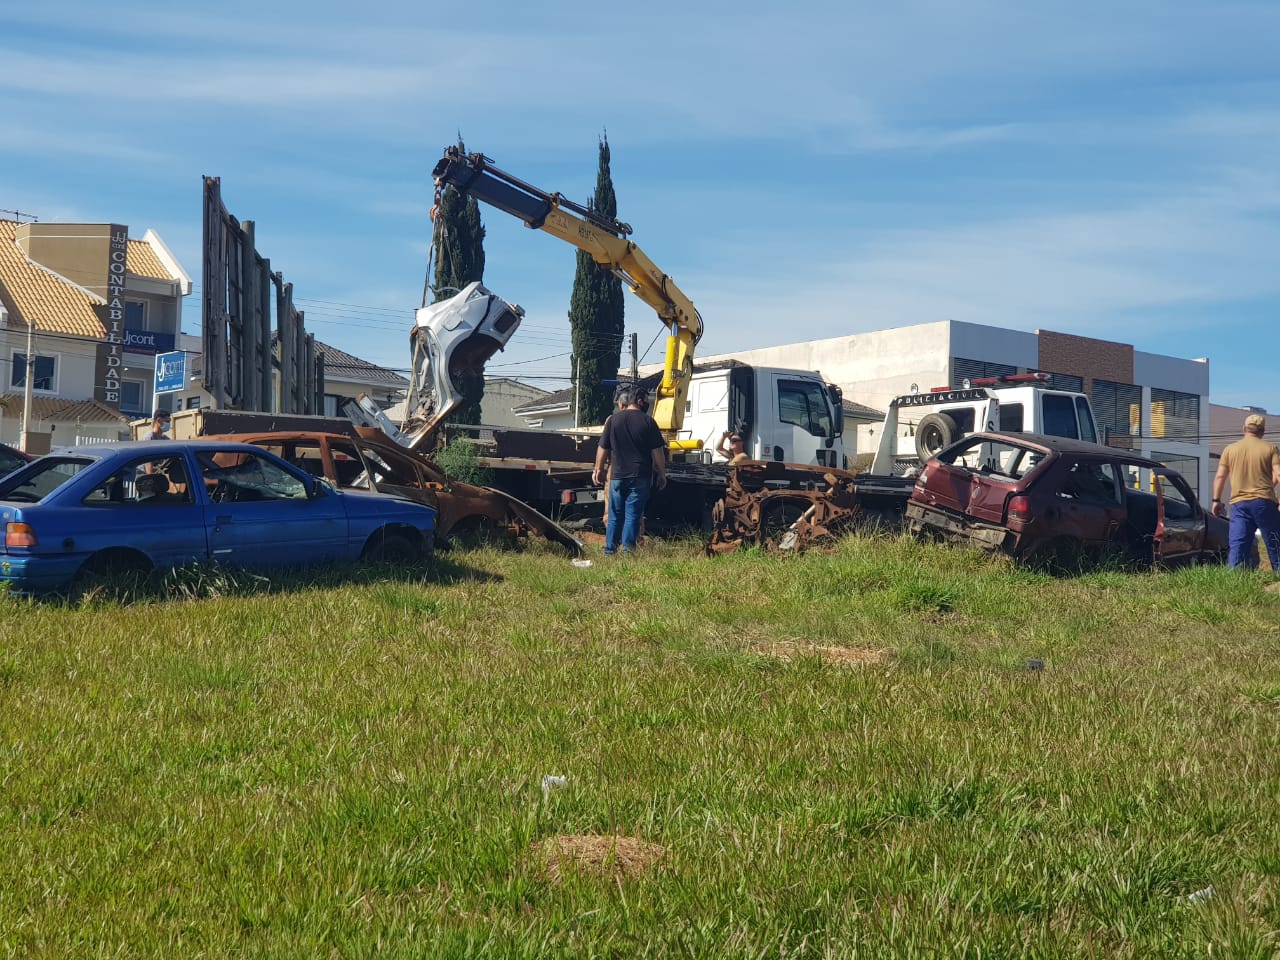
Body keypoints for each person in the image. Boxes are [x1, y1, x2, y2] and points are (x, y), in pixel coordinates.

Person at [592, 387, 667, 555]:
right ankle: (627, 551)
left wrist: (598, 469)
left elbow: (602, 447)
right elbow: (658, 452)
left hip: (617, 476)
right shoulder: (648, 422)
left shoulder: (613, 420)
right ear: (640, 401)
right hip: (640, 475)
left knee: (614, 514)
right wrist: (661, 473)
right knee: (633, 515)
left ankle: (610, 549)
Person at [1211, 413, 1280, 569]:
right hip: (1264, 503)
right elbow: (1278, 474)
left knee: (1238, 545)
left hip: (1239, 504)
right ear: (1262, 431)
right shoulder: (1270, 449)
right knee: (1275, 543)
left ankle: (1234, 582)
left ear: (1244, 429)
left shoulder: (1230, 450)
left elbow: (1220, 476)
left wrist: (1216, 500)